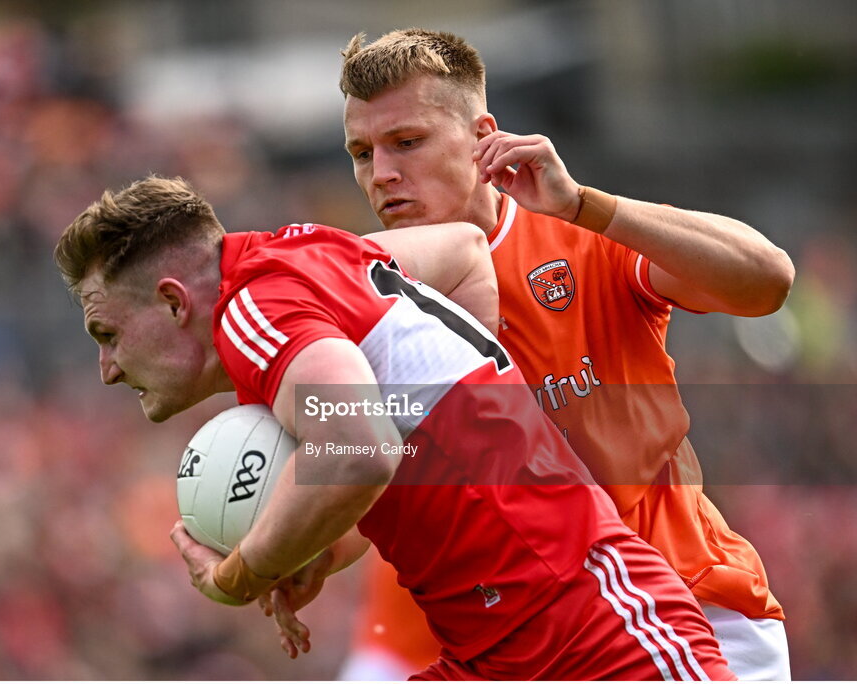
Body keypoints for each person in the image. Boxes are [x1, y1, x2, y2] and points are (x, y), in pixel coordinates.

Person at [54, 175, 736, 680]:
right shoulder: (306, 256)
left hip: (588, 628)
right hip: (493, 646)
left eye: (106, 332)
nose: (107, 367)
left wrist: (243, 573)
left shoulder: (248, 313)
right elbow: (466, 252)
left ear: (174, 303)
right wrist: (319, 539)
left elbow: (356, 448)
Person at [334, 28, 795, 681]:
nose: (381, 173)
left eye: (407, 142)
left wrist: (587, 206)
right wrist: (297, 559)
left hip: (690, 616)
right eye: (361, 151)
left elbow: (768, 280)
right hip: (534, 649)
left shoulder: (577, 235)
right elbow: (373, 480)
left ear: (481, 136)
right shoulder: (377, 308)